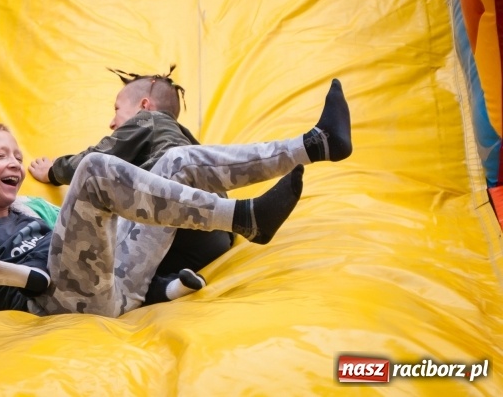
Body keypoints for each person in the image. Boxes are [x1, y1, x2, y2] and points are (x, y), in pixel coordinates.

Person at [29, 70, 352, 304]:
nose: (112, 122)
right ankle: (313, 147)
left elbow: (97, 158)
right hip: (207, 242)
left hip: (169, 225)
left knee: (174, 161)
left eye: (116, 110)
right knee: (182, 160)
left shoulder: (151, 121)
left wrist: (54, 171)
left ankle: (309, 150)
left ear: (144, 105)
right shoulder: (190, 144)